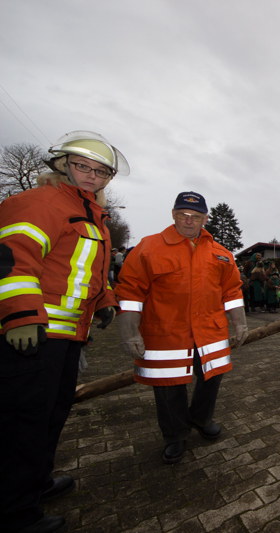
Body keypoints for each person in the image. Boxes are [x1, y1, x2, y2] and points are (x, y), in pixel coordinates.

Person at [0, 131, 126, 532]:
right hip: (34, 335)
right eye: (82, 166)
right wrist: (21, 315)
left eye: (100, 171)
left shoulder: (94, 216)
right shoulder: (40, 202)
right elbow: (12, 259)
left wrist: (104, 300)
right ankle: (15, 513)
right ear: (62, 164)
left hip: (68, 336)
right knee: (23, 423)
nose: (91, 176)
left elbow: (89, 271)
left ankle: (34, 484)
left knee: (51, 415)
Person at [115, 192, 247, 465]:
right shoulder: (149, 247)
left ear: (205, 219)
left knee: (212, 378)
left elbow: (232, 290)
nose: (189, 221)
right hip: (165, 334)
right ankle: (175, 435)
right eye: (183, 215)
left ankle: (201, 418)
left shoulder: (221, 253)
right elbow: (130, 290)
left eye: (195, 216)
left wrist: (240, 322)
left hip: (210, 333)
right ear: (173, 215)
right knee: (168, 387)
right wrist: (130, 331)